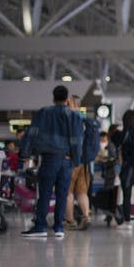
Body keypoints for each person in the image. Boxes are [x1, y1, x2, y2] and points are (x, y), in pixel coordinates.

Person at [19, 85, 82, 238]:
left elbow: (32, 133)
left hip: (49, 158)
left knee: (45, 193)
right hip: (67, 160)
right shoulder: (74, 116)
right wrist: (76, 159)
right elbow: (77, 140)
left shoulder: (44, 112)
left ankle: (40, 226)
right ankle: (58, 228)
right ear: (67, 99)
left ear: (53, 98)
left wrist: (25, 153)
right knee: (62, 194)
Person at [64, 95, 93, 231]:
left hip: (71, 160)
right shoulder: (84, 118)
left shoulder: (69, 117)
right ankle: (86, 216)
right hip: (85, 162)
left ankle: (70, 220)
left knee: (68, 192)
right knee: (82, 192)